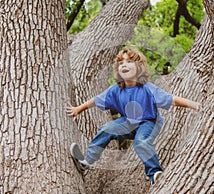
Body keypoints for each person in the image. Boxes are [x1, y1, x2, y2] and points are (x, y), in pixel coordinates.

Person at [67, 48, 200, 184]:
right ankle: (86, 161)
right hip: (128, 122)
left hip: (149, 122)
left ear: (139, 67)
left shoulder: (148, 88)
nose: (124, 64)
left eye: (129, 61)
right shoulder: (115, 89)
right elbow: (96, 100)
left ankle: (155, 173)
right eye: (121, 63)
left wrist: (195, 105)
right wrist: (79, 109)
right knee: (106, 129)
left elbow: (173, 99)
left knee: (140, 142)